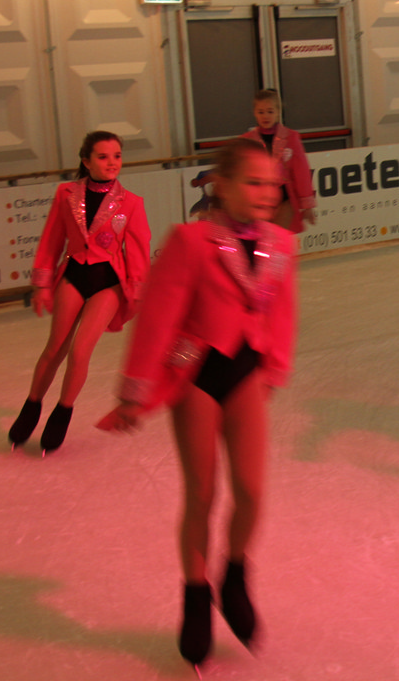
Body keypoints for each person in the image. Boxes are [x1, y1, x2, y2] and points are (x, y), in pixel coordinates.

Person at [98, 138, 298, 669]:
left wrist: (275, 365)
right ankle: (194, 594)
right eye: (253, 182)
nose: (266, 193)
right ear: (223, 186)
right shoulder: (190, 241)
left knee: (251, 492)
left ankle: (234, 573)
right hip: (195, 376)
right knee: (203, 494)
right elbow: (158, 317)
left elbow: (283, 310)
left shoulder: (282, 244)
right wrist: (135, 392)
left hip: (246, 373)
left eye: (273, 184)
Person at [9, 131, 150, 454]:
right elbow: (52, 239)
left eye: (117, 156)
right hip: (73, 275)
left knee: (80, 351)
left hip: (108, 282)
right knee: (55, 348)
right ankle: (32, 406)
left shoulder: (131, 203)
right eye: (103, 156)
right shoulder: (66, 194)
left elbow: (139, 250)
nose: (112, 162)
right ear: (86, 161)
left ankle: (62, 412)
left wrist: (138, 291)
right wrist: (41, 284)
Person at [242, 89, 316, 233]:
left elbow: (301, 172)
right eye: (261, 112)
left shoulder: (291, 137)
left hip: (284, 199)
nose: (265, 116)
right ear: (254, 113)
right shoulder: (247, 140)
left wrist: (307, 205)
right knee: (262, 238)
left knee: (279, 237)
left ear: (278, 112)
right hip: (259, 201)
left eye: (270, 111)